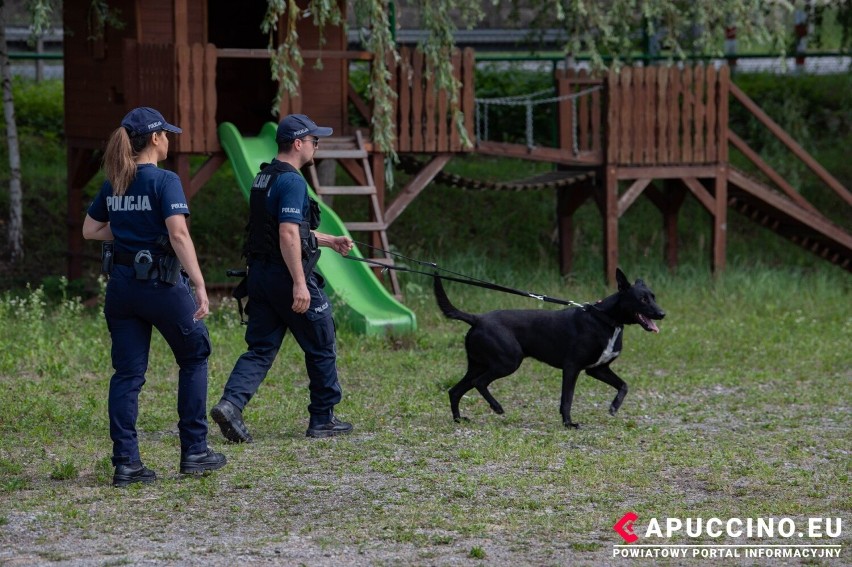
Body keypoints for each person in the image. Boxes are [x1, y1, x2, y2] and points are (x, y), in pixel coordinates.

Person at [82, 106, 226, 487]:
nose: (170, 140)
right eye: (167, 134)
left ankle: (126, 462)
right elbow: (178, 235)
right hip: (161, 286)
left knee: (128, 373)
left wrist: (129, 230)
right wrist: (198, 284)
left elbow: (90, 229)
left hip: (122, 287)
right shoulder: (165, 181)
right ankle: (195, 450)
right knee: (195, 355)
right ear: (157, 138)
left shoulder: (114, 181)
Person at [211, 113, 354, 442]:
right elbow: (288, 233)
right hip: (286, 276)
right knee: (321, 343)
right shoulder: (292, 181)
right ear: (299, 143)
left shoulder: (264, 178)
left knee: (260, 348)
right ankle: (323, 419)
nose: (317, 146)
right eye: (315, 141)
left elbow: (280, 230)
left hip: (259, 276)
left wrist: (330, 241)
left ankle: (231, 405)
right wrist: (300, 284)